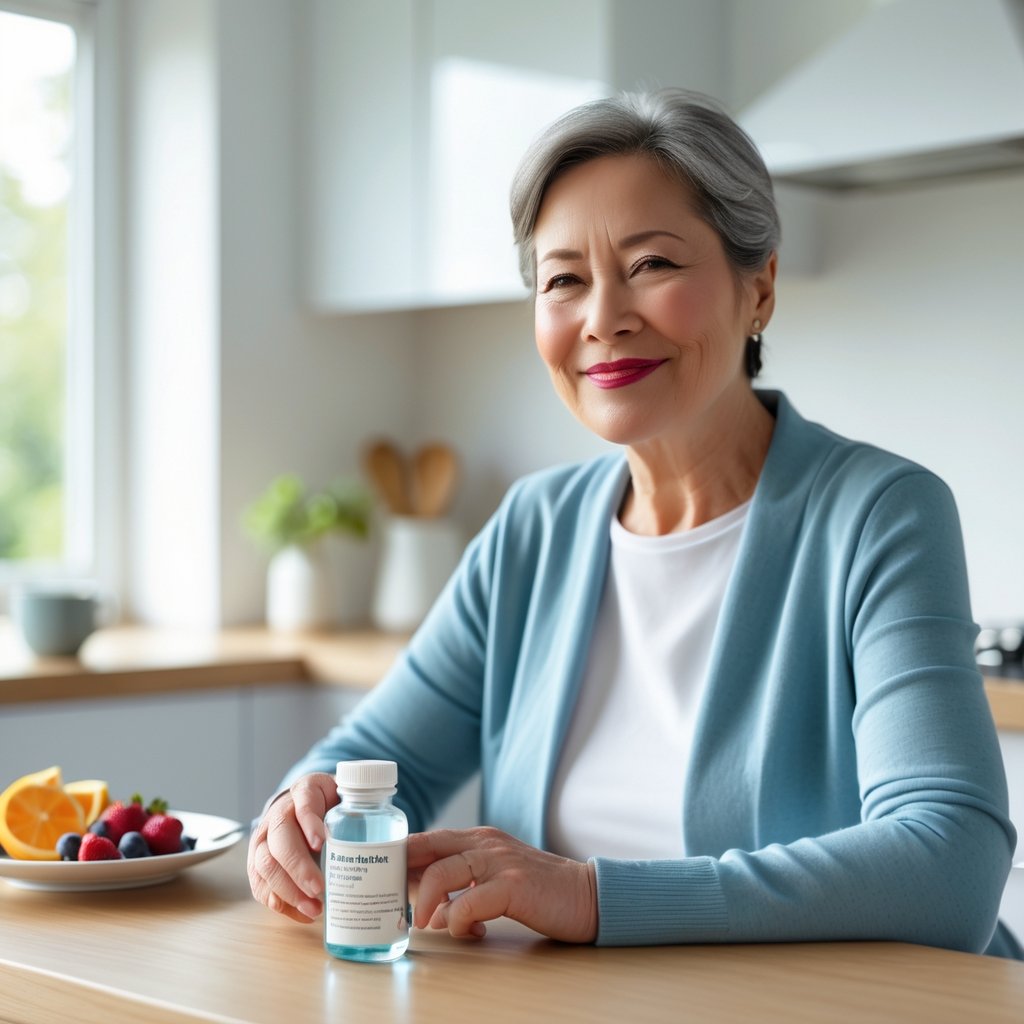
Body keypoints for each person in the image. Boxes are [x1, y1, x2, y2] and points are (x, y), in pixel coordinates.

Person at [248, 88, 1021, 958]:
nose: (604, 317)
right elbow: (380, 754)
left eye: (652, 265)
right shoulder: (532, 529)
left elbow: (949, 863)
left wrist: (590, 896)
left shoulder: (878, 515)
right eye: (564, 280)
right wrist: (302, 810)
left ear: (758, 285)